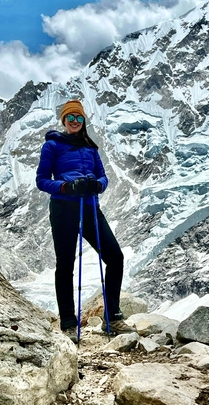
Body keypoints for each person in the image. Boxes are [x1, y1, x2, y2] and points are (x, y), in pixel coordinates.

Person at [36, 99, 135, 343]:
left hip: (90, 207)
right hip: (63, 208)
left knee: (114, 257)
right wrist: (66, 186)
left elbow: (103, 178)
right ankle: (68, 323)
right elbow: (41, 180)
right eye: (70, 117)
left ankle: (112, 316)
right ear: (64, 120)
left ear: (83, 121)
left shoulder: (91, 149)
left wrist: (96, 185)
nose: (74, 121)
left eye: (79, 118)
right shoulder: (52, 146)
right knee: (65, 264)